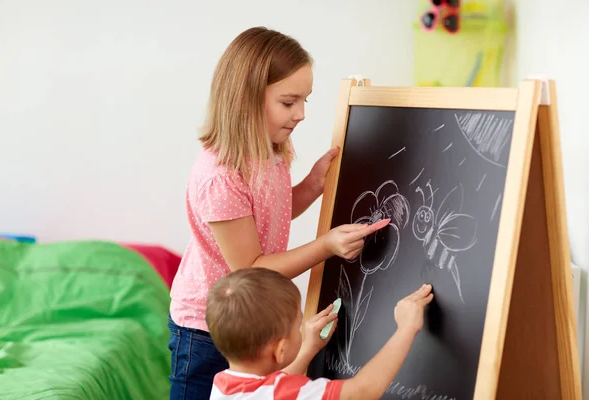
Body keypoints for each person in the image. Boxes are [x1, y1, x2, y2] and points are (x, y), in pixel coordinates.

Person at [168, 26, 390, 399]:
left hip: (252, 319)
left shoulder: (269, 152)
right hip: (209, 331)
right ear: (246, 100)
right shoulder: (221, 177)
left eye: (305, 101)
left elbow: (270, 216)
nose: (300, 114)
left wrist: (311, 187)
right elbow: (252, 268)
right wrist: (326, 246)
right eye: (289, 103)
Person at [206, 268, 434, 399]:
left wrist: (308, 348)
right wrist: (406, 328)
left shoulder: (223, 384)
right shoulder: (287, 394)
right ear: (281, 349)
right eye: (297, 326)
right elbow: (362, 391)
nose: (301, 329)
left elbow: (269, 384)